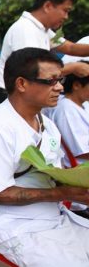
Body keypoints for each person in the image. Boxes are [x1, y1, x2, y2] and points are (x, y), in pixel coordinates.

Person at [0, 47, 89, 266]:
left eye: (60, 80)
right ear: (21, 84)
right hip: (7, 221)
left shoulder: (47, 125)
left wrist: (76, 186)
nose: (59, 87)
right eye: (51, 81)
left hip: (49, 216)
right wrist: (62, 192)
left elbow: (53, 172)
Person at [0, 0, 89, 110]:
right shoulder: (26, 30)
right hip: (10, 98)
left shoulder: (44, 31)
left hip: (22, 97)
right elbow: (32, 71)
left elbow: (71, 48)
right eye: (65, 10)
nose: (66, 17)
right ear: (47, 6)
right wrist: (74, 67)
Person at [44, 60, 89, 219]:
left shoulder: (81, 106)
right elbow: (81, 151)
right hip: (80, 172)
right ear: (77, 85)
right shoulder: (66, 108)